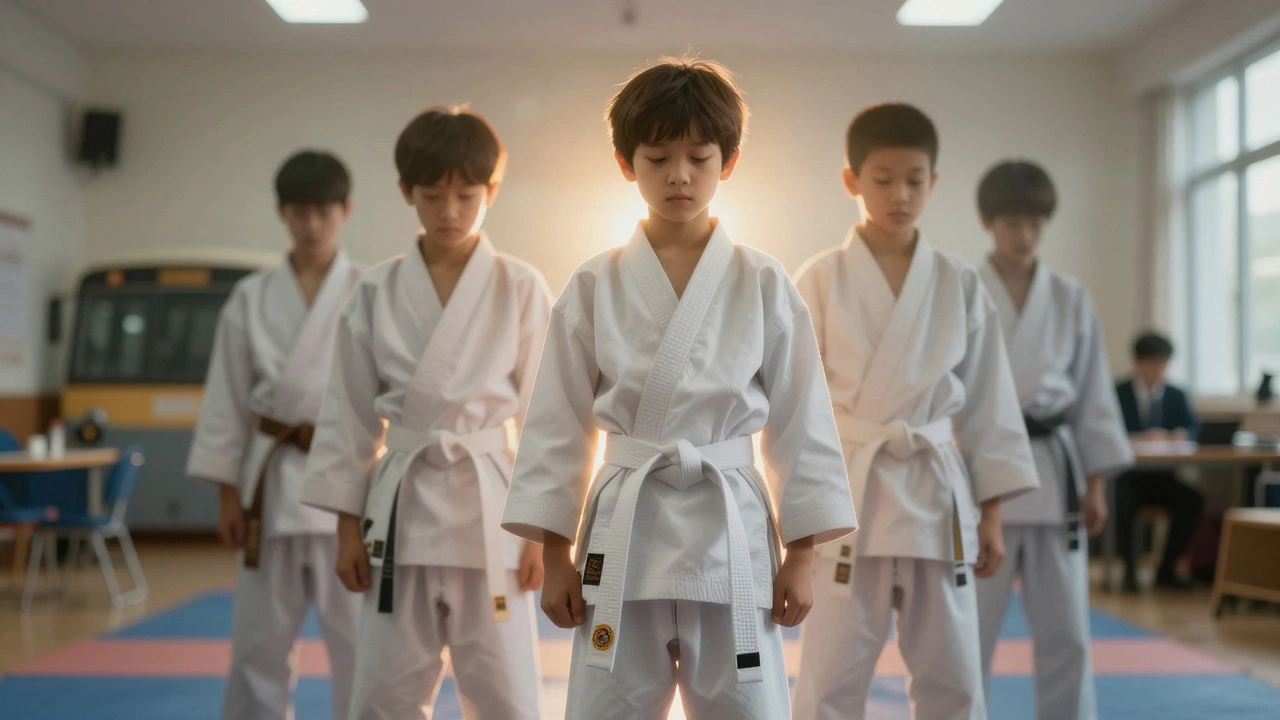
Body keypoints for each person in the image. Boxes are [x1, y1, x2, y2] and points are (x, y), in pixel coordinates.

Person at [501, 57, 857, 720]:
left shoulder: (764, 283)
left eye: (698, 156)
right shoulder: (593, 285)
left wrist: (803, 551)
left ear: (730, 161)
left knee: (747, 709)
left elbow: (801, 420)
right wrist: (553, 554)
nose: (679, 175)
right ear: (624, 162)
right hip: (624, 533)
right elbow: (558, 424)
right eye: (657, 157)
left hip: (732, 532)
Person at [790, 103, 1039, 720]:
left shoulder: (958, 282)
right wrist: (796, 524)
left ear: (934, 182)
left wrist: (993, 513)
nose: (899, 194)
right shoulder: (819, 280)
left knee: (953, 676)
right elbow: (796, 411)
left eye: (915, 179)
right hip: (847, 498)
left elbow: (988, 405)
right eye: (882, 179)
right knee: (828, 680)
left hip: (935, 495)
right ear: (851, 180)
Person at [301, 108, 551, 719]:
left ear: (491, 191)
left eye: (467, 195)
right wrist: (343, 529)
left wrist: (548, 535)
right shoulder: (374, 292)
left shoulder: (521, 287)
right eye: (432, 195)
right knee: (384, 696)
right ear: (404, 192)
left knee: (506, 695)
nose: (450, 212)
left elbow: (548, 421)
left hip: (494, 514)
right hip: (398, 515)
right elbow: (348, 418)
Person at [186, 150, 364, 720]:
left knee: (361, 644)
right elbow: (227, 400)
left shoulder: (371, 290)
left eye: (323, 211)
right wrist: (226, 496)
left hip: (347, 493)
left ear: (345, 211)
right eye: (299, 212)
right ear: (282, 214)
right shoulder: (251, 297)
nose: (312, 225)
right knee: (258, 643)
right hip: (269, 490)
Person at [972, 159, 1134, 720]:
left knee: (1067, 633)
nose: (1027, 234)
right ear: (987, 221)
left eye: (1037, 222)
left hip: (1055, 478)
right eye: (1014, 222)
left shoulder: (1070, 297)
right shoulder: (964, 289)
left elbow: (1093, 398)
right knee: (970, 637)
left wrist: (1095, 487)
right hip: (982, 485)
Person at [1115, 331, 1204, 591]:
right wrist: (1142, 437)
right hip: (1130, 478)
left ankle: (1167, 569)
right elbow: (1108, 431)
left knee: (1192, 500)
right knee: (1122, 501)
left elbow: (1191, 429)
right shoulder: (1119, 392)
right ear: (1138, 362)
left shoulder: (1176, 395)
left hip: (1164, 477)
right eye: (1152, 363)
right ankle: (1129, 572)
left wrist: (1177, 435)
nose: (1157, 370)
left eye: (1162, 364)